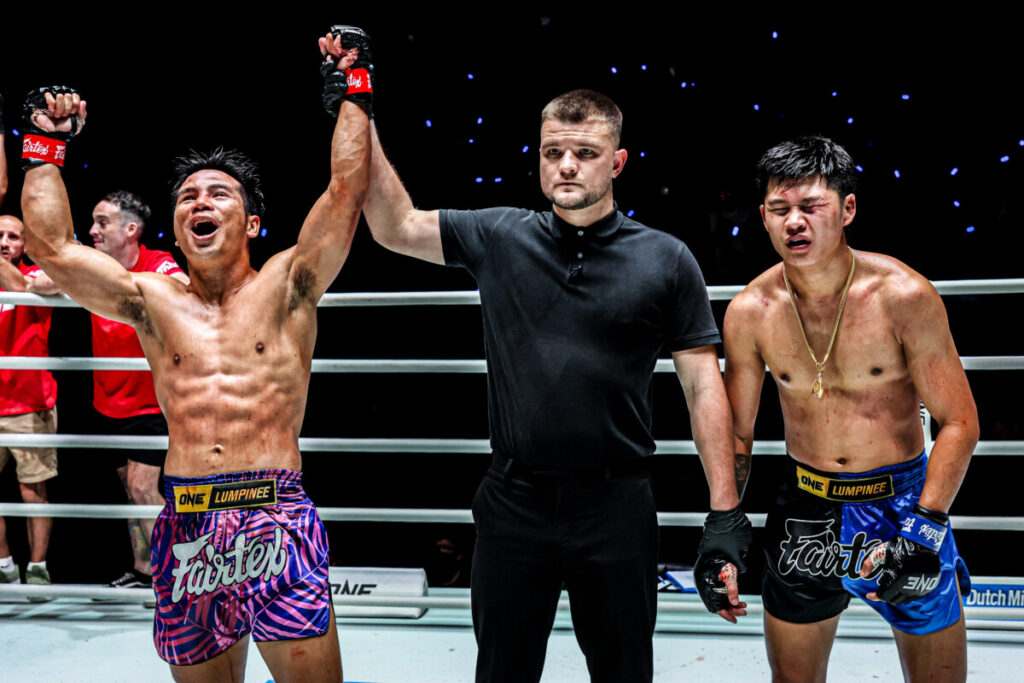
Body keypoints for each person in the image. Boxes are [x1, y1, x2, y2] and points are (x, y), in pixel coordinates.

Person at [355, 78, 749, 682]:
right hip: (514, 499)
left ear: (617, 162)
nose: (566, 165)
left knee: (624, 673)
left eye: (585, 153)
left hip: (616, 503)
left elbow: (702, 390)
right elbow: (393, 225)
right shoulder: (500, 235)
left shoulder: (667, 258)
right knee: (502, 673)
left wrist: (725, 514)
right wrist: (360, 106)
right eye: (552, 152)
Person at [19, 25, 370, 681]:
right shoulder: (152, 299)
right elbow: (54, 250)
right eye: (186, 197)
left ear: (253, 223)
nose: (198, 201)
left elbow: (347, 192)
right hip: (188, 522)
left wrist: (353, 88)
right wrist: (44, 143)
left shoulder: (289, 283)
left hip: (275, 514)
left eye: (218, 193)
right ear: (177, 230)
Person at [723, 136, 977, 682]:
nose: (795, 222)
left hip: (903, 505)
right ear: (763, 218)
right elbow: (737, 435)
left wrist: (926, 527)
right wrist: (723, 522)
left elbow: (960, 421)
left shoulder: (904, 296)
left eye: (811, 205)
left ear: (847, 209)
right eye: (779, 209)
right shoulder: (750, 311)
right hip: (804, 506)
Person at [87, 191, 188, 594]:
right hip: (108, 400)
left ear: (130, 230)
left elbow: (182, 285)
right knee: (131, 489)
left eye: (102, 222)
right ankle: (144, 568)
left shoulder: (156, 261)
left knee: (145, 488)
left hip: (150, 402)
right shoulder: (92, 265)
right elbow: (43, 281)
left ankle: (177, 577)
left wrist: (115, 283)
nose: (92, 231)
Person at [0, 214, 60, 599]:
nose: (5, 242)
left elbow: (32, 285)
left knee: (33, 491)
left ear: (25, 245)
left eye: (13, 236)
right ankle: (5, 566)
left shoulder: (36, 275)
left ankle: (38, 569)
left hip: (28, 403)